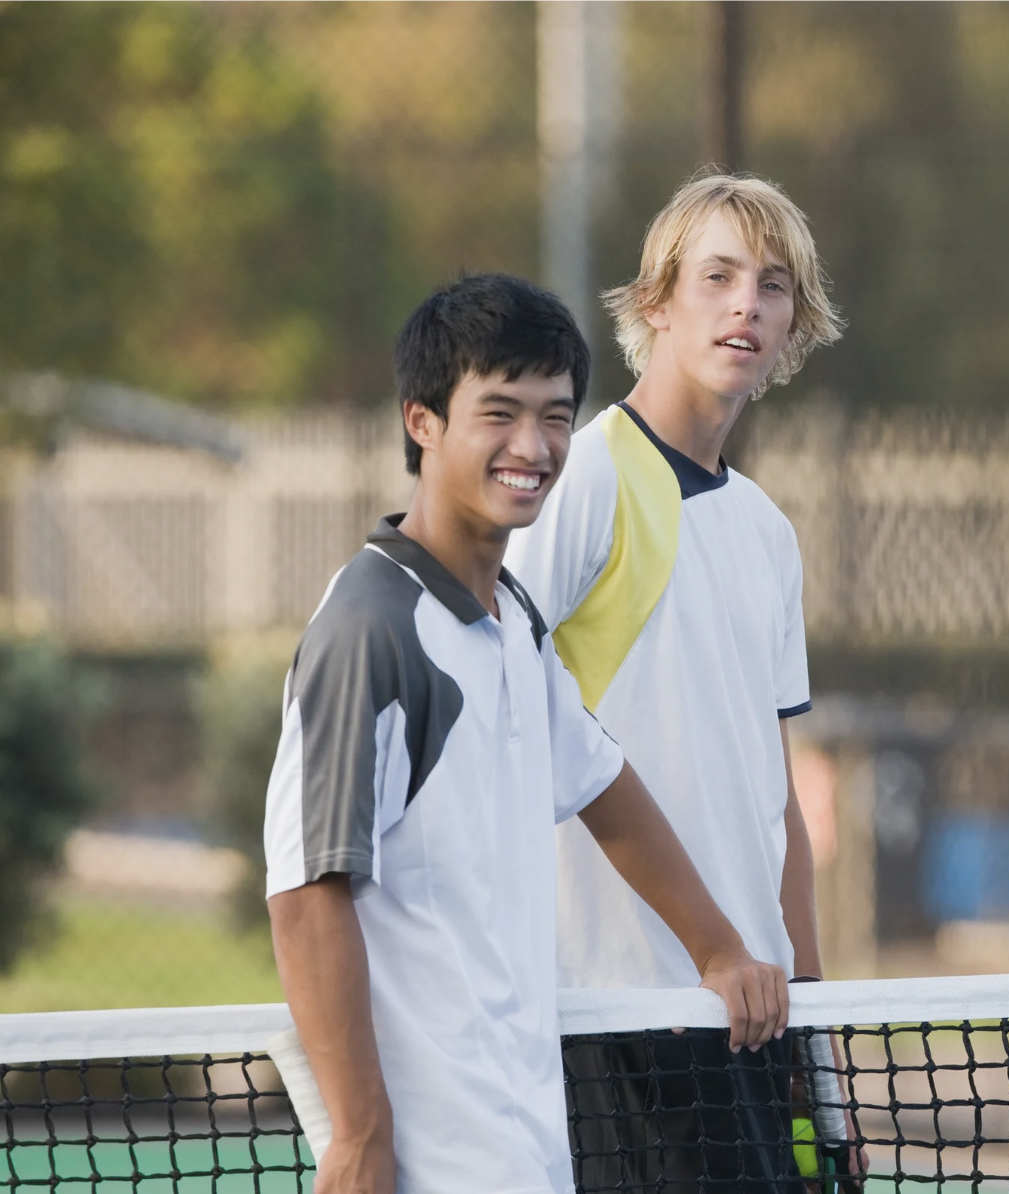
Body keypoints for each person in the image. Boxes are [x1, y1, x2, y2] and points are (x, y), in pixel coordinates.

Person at [263, 273, 790, 1194]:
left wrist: (719, 948)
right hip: (429, 1162)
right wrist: (358, 1136)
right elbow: (308, 892)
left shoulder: (512, 620)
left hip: (531, 1145)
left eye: (555, 416)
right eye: (498, 413)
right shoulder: (369, 627)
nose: (534, 447)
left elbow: (604, 788)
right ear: (422, 422)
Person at [506, 172, 844, 1191]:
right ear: (656, 303)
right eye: (719, 276)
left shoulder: (767, 532)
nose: (747, 303)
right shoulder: (584, 478)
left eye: (773, 285)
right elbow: (504, 719)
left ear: (792, 325)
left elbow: (772, 798)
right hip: (609, 1012)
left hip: (749, 1014)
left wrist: (814, 1037)